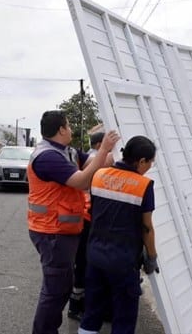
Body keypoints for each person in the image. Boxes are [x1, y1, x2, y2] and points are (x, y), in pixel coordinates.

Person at [27, 110, 119, 334]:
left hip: (64, 230)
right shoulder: (47, 156)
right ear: (61, 129)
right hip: (52, 232)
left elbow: (102, 163)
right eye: (68, 126)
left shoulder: (67, 151)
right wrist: (104, 148)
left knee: (61, 285)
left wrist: (113, 147)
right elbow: (80, 181)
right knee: (55, 289)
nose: (71, 129)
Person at [79, 135, 159, 334]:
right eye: (150, 162)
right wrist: (152, 256)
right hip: (123, 262)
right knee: (123, 316)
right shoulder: (144, 185)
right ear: (141, 161)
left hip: (95, 256)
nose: (150, 166)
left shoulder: (98, 176)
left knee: (92, 313)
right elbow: (146, 227)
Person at [68, 131, 111, 321]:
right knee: (86, 263)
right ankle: (79, 306)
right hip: (89, 218)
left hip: (87, 218)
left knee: (83, 263)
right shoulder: (95, 159)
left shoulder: (87, 157)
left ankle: (78, 305)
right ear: (101, 143)